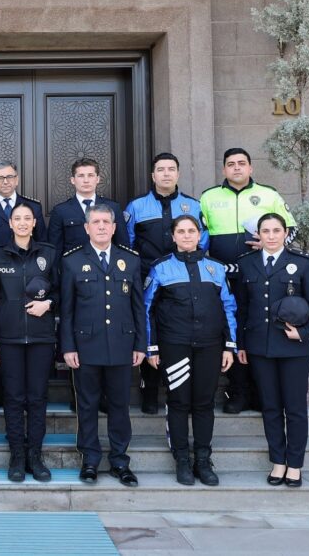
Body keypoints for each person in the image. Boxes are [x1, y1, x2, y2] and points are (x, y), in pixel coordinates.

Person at [199, 147, 296, 414]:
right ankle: (237, 392)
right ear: (223, 170)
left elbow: (292, 229)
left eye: (242, 163)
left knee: (257, 326)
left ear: (251, 168)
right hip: (225, 277)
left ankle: (261, 393)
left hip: (261, 275)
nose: (237, 168)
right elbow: (199, 236)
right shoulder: (208, 197)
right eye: (231, 164)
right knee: (233, 329)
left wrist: (271, 241)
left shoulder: (268, 194)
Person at [143, 215, 237, 487]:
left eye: (191, 231)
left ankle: (203, 460)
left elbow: (228, 308)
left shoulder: (216, 269)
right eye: (180, 231)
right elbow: (147, 309)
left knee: (204, 403)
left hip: (210, 346)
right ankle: (182, 459)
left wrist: (230, 346)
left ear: (199, 235)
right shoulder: (160, 268)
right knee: (179, 401)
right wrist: (152, 347)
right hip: (175, 346)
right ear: (173, 236)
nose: (186, 236)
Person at [235, 213, 309, 489]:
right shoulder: (246, 264)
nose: (271, 236)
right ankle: (278, 461)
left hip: (294, 347)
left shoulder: (302, 263)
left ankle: (295, 464)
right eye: (266, 231)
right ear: (258, 235)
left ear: (286, 233)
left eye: (276, 230)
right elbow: (242, 309)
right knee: (270, 407)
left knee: (294, 408)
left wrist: (304, 332)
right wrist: (241, 344)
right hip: (260, 347)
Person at [59, 204, 146, 486]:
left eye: (106, 222)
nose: (101, 227)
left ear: (114, 227)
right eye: (95, 222)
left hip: (122, 344)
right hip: (86, 346)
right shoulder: (72, 261)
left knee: (120, 406)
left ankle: (120, 461)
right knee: (87, 405)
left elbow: (138, 307)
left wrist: (141, 345)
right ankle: (91, 460)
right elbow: (67, 309)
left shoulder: (130, 260)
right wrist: (68, 347)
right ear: (86, 228)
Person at [125, 152, 209, 415]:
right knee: (150, 329)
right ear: (153, 175)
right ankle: (149, 391)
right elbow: (127, 243)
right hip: (147, 279)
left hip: (182, 280)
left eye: (171, 169)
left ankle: (179, 392)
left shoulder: (193, 206)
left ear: (178, 174)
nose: (166, 174)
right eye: (160, 170)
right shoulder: (136, 207)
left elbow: (202, 241)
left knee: (177, 331)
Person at [0, 201, 57, 482]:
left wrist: (49, 304)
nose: (23, 223)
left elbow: (65, 293)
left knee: (37, 398)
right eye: (18, 218)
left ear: (35, 223)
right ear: (10, 224)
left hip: (41, 337)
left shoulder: (49, 254)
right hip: (8, 338)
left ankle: (35, 456)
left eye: (28, 218)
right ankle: (17, 455)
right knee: (13, 398)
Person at [0, 160, 47, 414]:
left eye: (10, 177)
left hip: (30, 285)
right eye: (0, 178)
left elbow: (44, 249)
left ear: (17, 179)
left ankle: (26, 396)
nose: (5, 181)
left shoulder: (33, 207)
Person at [47, 157, 129, 256]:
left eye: (90, 175)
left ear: (98, 179)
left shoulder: (113, 207)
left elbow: (123, 245)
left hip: (106, 269)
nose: (86, 180)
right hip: (73, 269)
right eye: (81, 176)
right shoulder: (60, 211)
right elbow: (55, 250)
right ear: (73, 180)